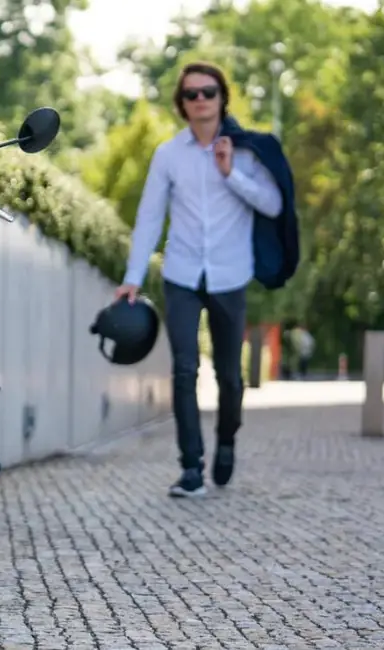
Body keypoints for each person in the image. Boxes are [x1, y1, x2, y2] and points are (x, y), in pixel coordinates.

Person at [115, 61, 287, 497]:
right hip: (182, 275)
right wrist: (133, 277)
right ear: (182, 104)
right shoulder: (168, 154)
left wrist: (233, 175)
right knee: (184, 369)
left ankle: (226, 440)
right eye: (190, 94)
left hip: (230, 276)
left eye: (207, 92)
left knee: (230, 377)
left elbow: (273, 205)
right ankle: (191, 467)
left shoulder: (247, 152)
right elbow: (150, 217)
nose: (200, 100)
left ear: (222, 97)